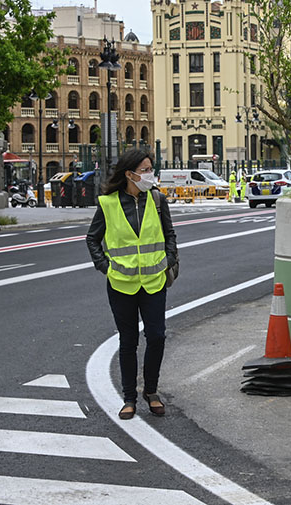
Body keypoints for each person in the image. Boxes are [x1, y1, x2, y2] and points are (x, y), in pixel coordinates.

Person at [86, 149, 178, 420]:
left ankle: (151, 391)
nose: (150, 174)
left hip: (153, 281)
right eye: (146, 169)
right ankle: (129, 398)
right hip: (121, 284)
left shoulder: (158, 200)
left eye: (151, 169)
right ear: (130, 174)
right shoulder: (108, 203)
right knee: (128, 341)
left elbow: (170, 234)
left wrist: (168, 260)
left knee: (157, 336)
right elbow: (92, 239)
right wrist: (105, 267)